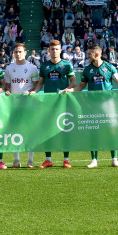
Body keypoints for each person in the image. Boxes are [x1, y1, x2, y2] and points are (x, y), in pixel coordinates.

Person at [75, 45, 118, 168]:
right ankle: (94, 160)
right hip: (92, 105)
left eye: (89, 54)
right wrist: (71, 90)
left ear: (97, 55)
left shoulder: (109, 67)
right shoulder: (87, 69)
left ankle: (114, 159)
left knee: (111, 130)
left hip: (108, 104)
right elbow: (81, 86)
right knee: (93, 131)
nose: (87, 56)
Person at [34, 39, 75, 169]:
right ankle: (48, 159)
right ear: (49, 51)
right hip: (48, 102)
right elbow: (40, 83)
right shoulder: (44, 66)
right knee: (47, 130)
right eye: (52, 49)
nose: (54, 51)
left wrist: (67, 89)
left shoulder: (67, 65)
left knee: (65, 130)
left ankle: (66, 159)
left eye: (57, 49)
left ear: (60, 50)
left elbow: (73, 81)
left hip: (63, 101)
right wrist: (34, 92)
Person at [4, 43, 39, 168]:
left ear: (25, 52)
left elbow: (37, 85)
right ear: (13, 53)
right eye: (16, 52)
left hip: (29, 104)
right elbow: (7, 86)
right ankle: (16, 160)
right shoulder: (9, 68)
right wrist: (7, 91)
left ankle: (30, 160)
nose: (18, 54)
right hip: (14, 105)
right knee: (15, 132)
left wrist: (31, 92)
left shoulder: (32, 68)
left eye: (20, 51)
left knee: (30, 131)